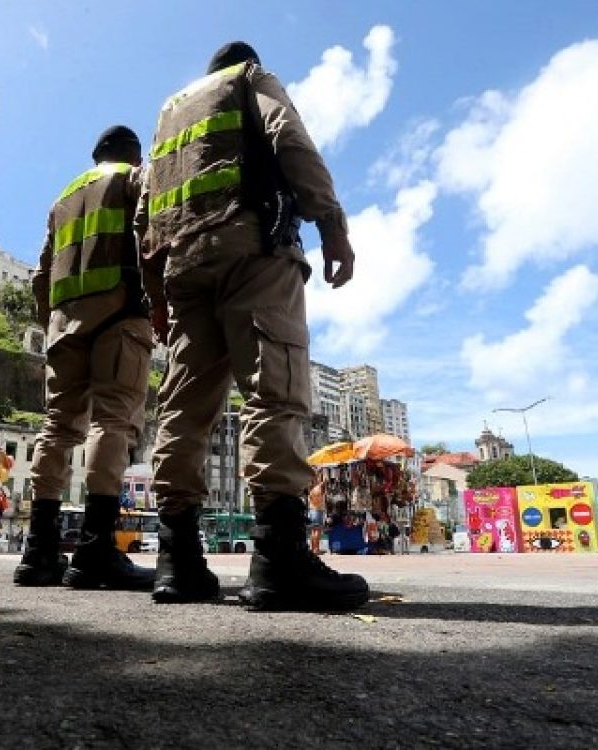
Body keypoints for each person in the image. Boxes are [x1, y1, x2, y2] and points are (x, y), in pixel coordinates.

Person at [139, 41, 368, 610]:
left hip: (182, 268)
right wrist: (331, 223)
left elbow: (145, 212)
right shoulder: (250, 78)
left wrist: (156, 297)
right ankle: (278, 560)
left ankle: (177, 563)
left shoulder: (170, 114)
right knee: (274, 390)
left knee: (184, 408)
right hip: (253, 249)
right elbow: (289, 139)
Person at [14, 125, 156, 591]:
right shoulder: (134, 179)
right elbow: (151, 237)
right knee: (113, 420)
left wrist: (53, 321)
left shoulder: (64, 198)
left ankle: (38, 553)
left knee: (57, 426)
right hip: (120, 311)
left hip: (63, 322)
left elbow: (41, 272)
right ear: (134, 155)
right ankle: (95, 550)